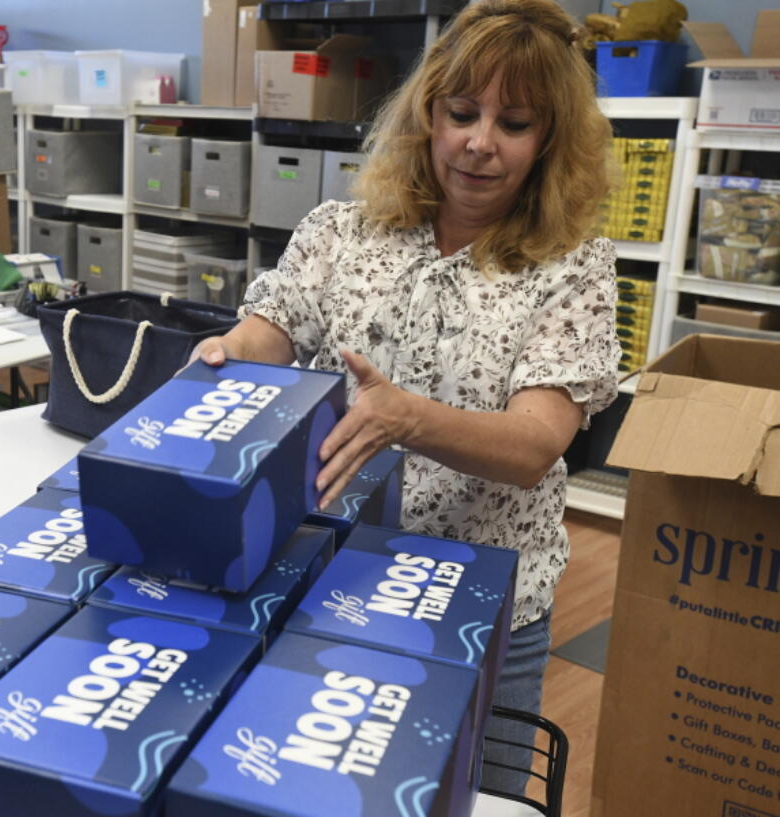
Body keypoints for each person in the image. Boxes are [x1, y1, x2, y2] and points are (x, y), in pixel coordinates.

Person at [192, 0, 619, 795]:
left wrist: (407, 419)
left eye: (514, 123)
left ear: (550, 143)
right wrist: (230, 352)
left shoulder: (574, 269)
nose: (479, 143)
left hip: (485, 609)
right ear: (429, 112)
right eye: (461, 112)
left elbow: (534, 444)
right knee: (317, 790)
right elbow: (273, 325)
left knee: (477, 797)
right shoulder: (341, 232)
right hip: (331, 582)